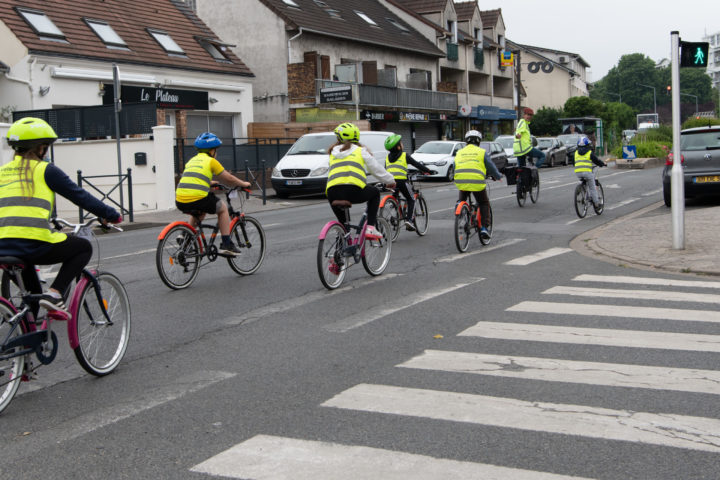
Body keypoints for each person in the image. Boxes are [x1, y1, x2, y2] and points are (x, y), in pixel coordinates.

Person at [0, 117, 121, 318]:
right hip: (32, 245)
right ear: (40, 148)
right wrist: (111, 214)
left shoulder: (2, 172)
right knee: (82, 247)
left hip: (2, 247)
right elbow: (80, 196)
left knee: (32, 298)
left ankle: (25, 342)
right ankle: (55, 294)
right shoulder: (45, 170)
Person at [176, 132, 251, 256]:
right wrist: (244, 184)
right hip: (198, 198)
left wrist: (210, 182)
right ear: (212, 151)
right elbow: (228, 178)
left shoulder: (191, 161)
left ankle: (185, 235)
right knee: (223, 209)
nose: (216, 153)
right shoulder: (211, 161)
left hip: (180, 199)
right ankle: (226, 244)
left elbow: (193, 178)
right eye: (216, 150)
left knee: (201, 211)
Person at [326, 122, 395, 239]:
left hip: (332, 192)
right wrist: (390, 180)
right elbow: (376, 169)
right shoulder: (360, 151)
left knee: (343, 226)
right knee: (375, 193)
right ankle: (371, 228)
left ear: (338, 138)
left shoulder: (332, 153)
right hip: (353, 191)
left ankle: (340, 250)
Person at [454, 130, 502, 240]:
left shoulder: (460, 152)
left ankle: (459, 209)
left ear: (466, 141)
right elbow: (491, 167)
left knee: (462, 199)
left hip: (461, 181)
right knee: (484, 203)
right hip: (476, 181)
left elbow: (455, 165)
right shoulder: (481, 152)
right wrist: (498, 176)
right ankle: (484, 228)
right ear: (479, 141)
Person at [383, 134, 433, 231]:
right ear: (398, 146)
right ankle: (409, 220)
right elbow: (417, 164)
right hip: (401, 182)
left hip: (391, 182)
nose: (402, 144)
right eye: (401, 143)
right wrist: (428, 170)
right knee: (411, 199)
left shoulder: (387, 158)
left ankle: (394, 213)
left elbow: (386, 170)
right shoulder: (404, 155)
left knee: (395, 196)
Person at [574, 137, 606, 208]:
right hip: (587, 172)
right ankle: (597, 204)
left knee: (583, 180)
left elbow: (574, 163)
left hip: (578, 172)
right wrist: (602, 164)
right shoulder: (589, 152)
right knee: (592, 187)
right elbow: (596, 160)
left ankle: (581, 188)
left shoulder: (576, 153)